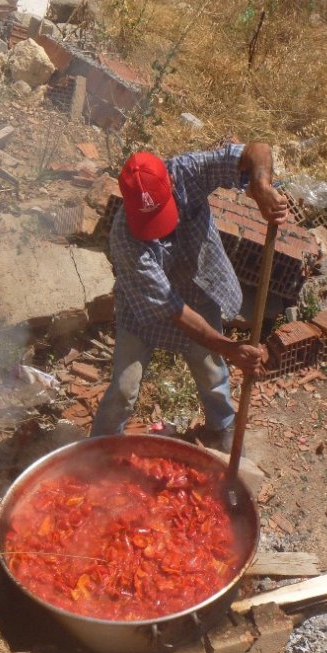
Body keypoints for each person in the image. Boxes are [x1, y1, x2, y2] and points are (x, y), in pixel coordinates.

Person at [90, 141, 288, 451]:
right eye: (148, 221)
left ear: (170, 181)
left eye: (160, 213)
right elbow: (175, 311)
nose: (156, 230)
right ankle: (97, 452)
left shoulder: (187, 171)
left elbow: (256, 150)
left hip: (199, 291)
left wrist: (261, 186)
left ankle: (222, 431)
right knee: (123, 388)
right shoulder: (126, 242)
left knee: (212, 374)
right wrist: (231, 348)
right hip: (142, 311)